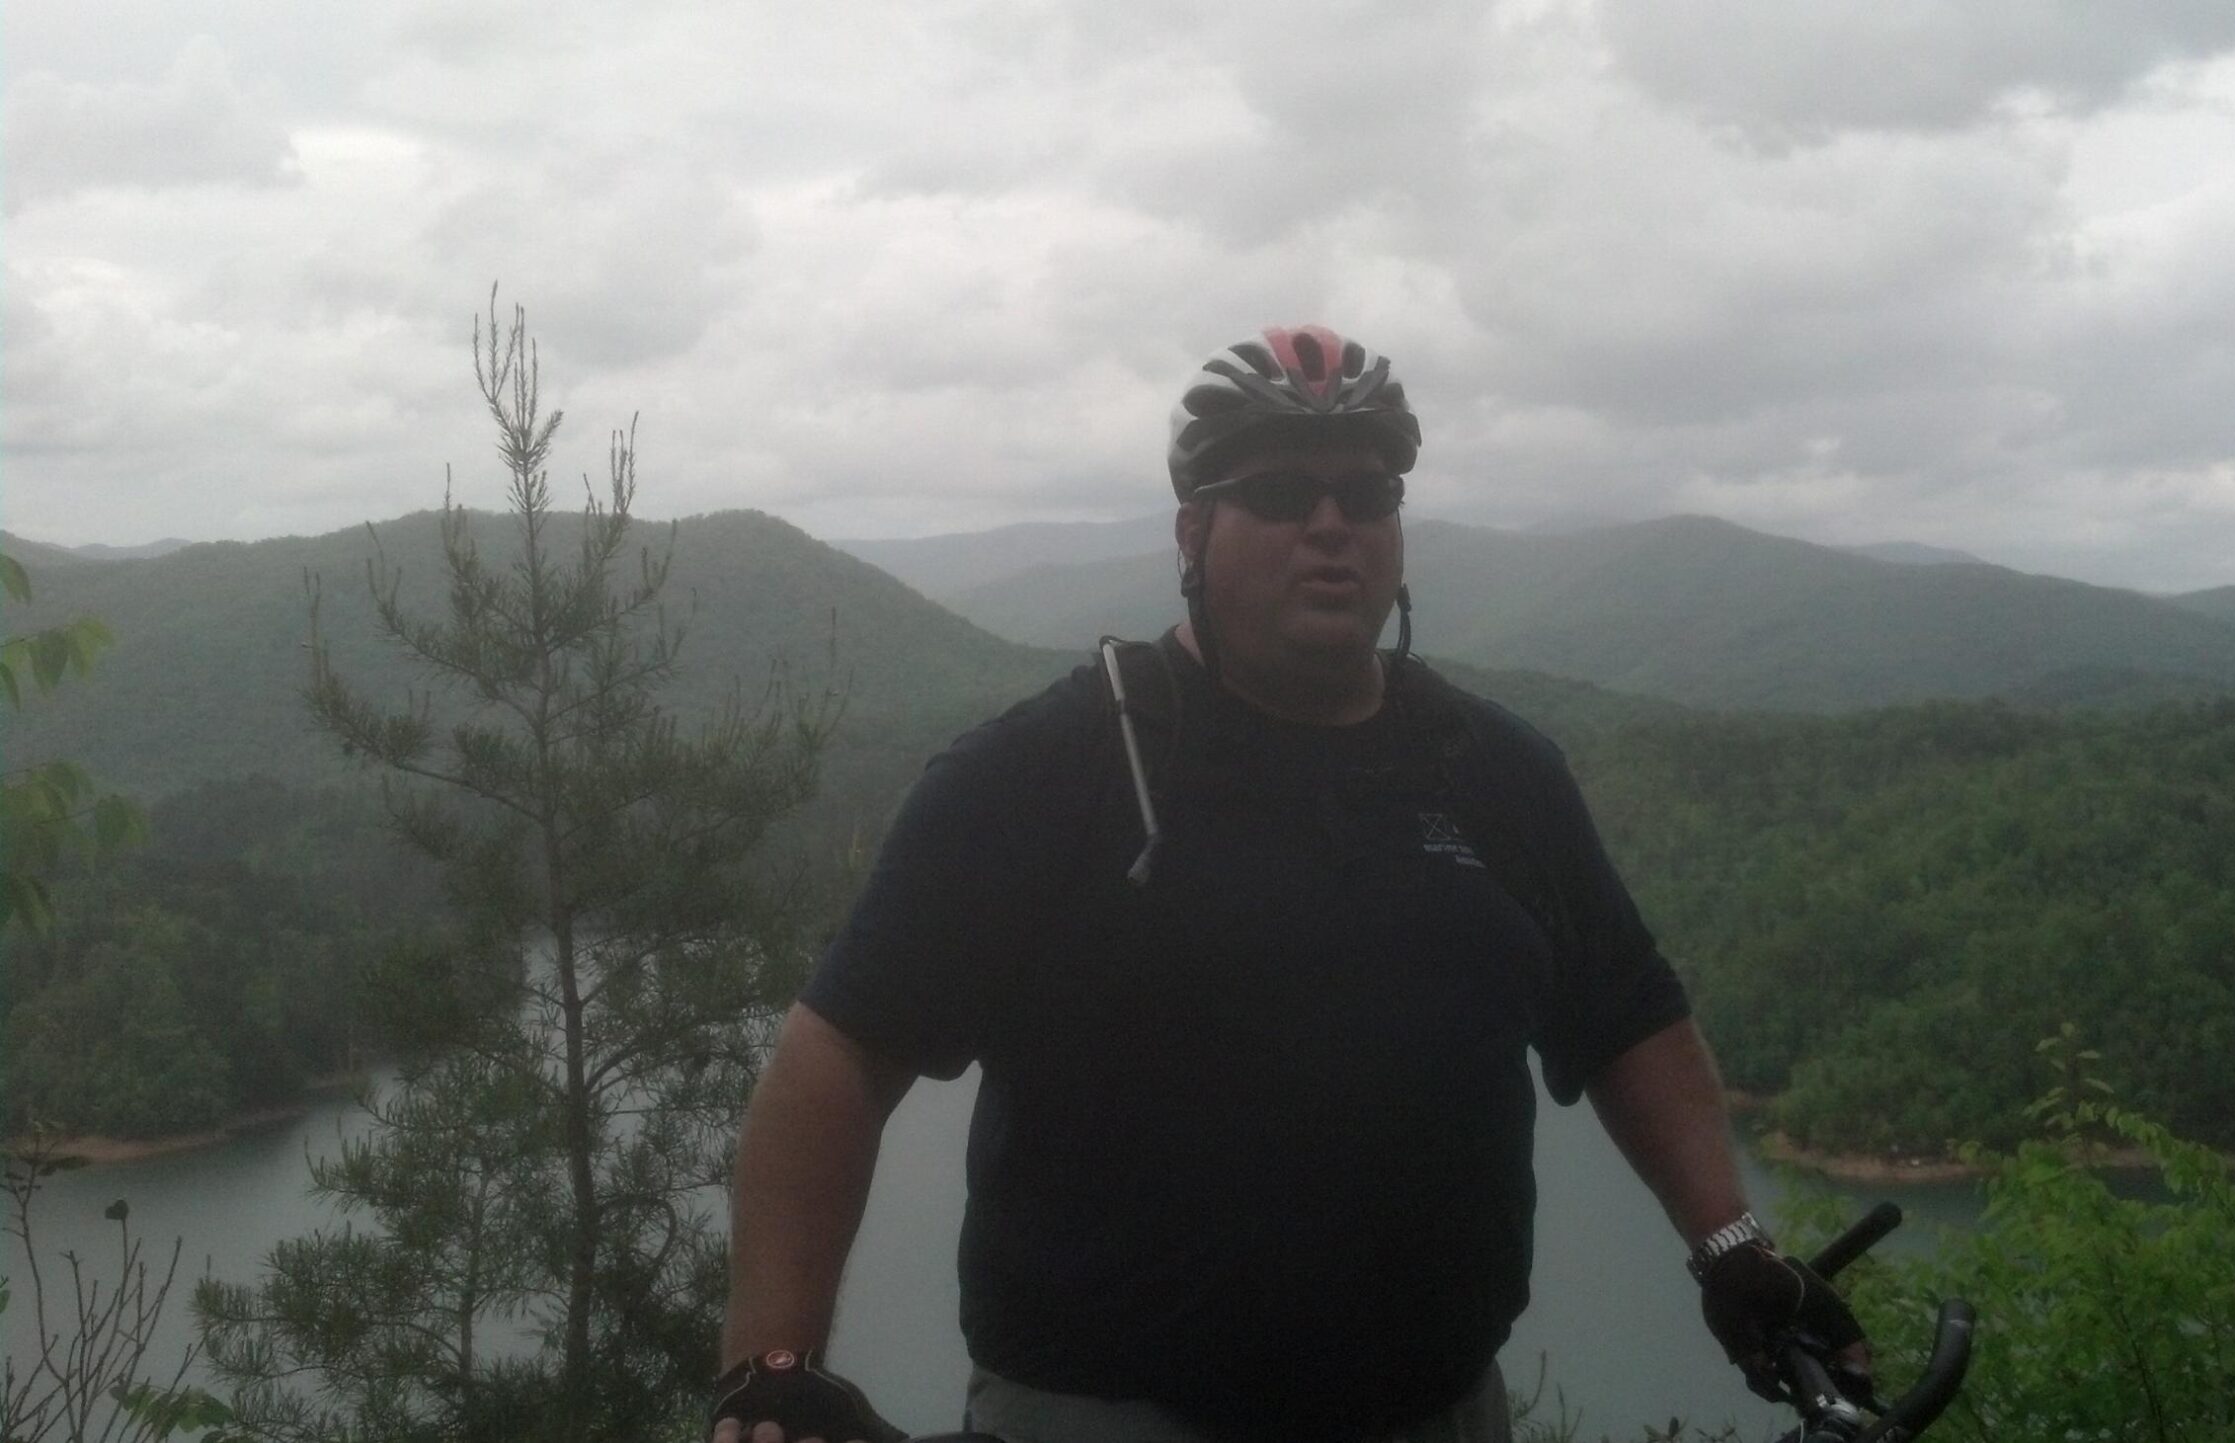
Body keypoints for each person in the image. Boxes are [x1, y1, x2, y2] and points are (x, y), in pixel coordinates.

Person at [712, 326, 1868, 1443]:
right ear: (1193, 532)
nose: (1331, 526)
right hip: (1103, 1413)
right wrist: (775, 1372)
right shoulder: (1046, 772)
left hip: (1446, 1409)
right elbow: (840, 1058)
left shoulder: (1497, 772)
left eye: (1367, 497)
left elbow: (1627, 1017)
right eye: (1280, 494)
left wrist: (1731, 1249)